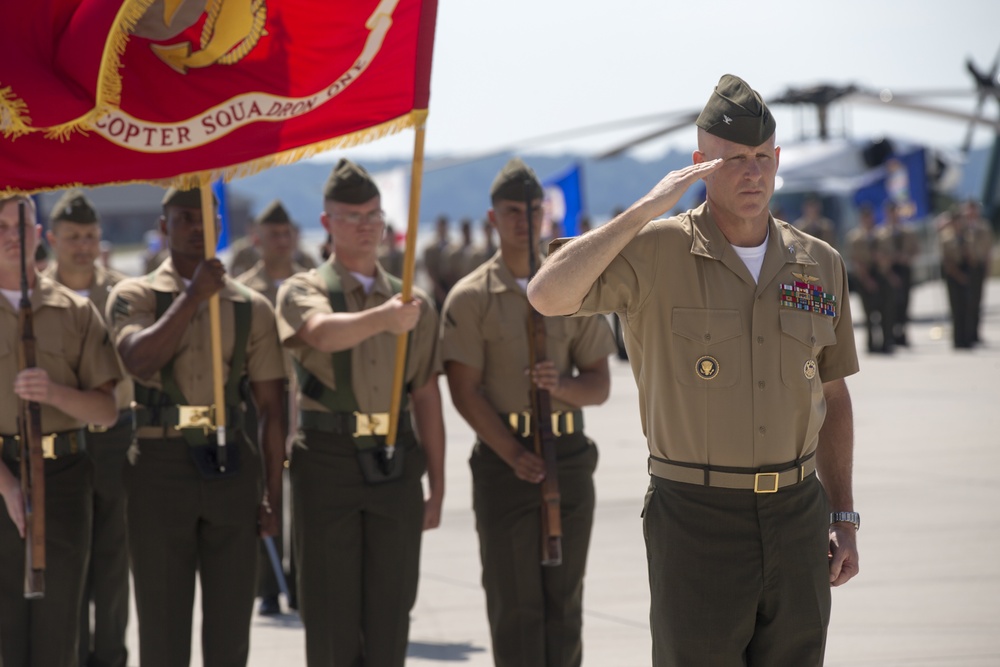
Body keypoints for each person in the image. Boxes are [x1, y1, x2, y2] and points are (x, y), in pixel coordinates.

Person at [527, 74, 861, 667]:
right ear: (701, 163)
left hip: (796, 514)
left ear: (779, 159)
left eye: (762, 157)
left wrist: (843, 513)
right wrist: (648, 208)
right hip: (697, 516)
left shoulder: (819, 263)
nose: (752, 172)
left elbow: (832, 395)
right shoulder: (658, 252)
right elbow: (547, 295)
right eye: (734, 159)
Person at [440, 158, 614, 667]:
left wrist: (561, 386)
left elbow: (599, 384)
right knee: (515, 604)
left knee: (565, 602)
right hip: (505, 461)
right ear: (492, 218)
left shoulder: (573, 286)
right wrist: (513, 453)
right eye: (512, 211)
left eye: (533, 210)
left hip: (569, 455)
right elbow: (464, 390)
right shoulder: (471, 297)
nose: (524, 220)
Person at [275, 158, 445, 667]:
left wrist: (437, 485)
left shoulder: (412, 303)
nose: (367, 224)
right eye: (352, 215)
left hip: (395, 459)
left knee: (391, 614)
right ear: (327, 223)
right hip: (328, 459)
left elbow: (425, 396)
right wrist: (385, 318)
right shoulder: (303, 289)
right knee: (330, 617)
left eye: (374, 213)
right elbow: (322, 333)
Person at [106, 186, 286, 667]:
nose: (195, 227)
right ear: (163, 227)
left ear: (220, 225)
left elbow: (271, 406)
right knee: (163, 629)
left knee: (230, 631)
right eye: (183, 218)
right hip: (159, 466)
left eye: (205, 217)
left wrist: (272, 493)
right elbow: (138, 359)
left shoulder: (251, 306)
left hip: (231, 463)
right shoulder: (134, 294)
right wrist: (192, 297)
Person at [0, 195, 121, 667]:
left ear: (38, 233)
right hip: (2, 477)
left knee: (60, 629)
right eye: (2, 226)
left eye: (22, 225)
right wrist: (7, 486)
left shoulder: (75, 311)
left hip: (64, 476)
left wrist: (53, 393)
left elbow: (106, 410)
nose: (13, 235)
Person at [44, 190, 134, 667]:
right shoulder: (37, 296)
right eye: (73, 237)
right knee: (67, 557)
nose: (83, 245)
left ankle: (112, 655)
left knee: (114, 558)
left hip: (116, 437)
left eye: (91, 237)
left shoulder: (123, 294)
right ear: (53, 240)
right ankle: (72, 653)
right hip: (61, 442)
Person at [235, 199, 305, 616]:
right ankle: (267, 586)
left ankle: (299, 581)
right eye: (272, 235)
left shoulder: (311, 285)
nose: (281, 241)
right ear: (256, 240)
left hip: (304, 400)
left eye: (286, 233)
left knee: (303, 498)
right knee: (264, 492)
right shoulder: (242, 291)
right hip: (258, 404)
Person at [846, 203, 895, 353]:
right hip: (864, 277)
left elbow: (889, 255)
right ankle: (871, 344)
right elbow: (855, 261)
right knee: (868, 313)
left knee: (886, 311)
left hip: (881, 274)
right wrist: (867, 280)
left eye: (870, 217)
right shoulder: (855, 238)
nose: (868, 220)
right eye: (865, 218)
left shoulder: (882, 235)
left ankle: (887, 342)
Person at [880, 200, 919, 347]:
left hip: (904, 269)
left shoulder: (907, 231)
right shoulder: (881, 233)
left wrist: (907, 257)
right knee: (890, 305)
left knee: (905, 303)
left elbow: (916, 249)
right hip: (889, 270)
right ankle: (890, 335)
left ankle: (902, 333)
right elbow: (879, 255)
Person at [422, 214, 452, 309]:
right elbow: (429, 270)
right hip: (436, 288)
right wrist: (438, 290)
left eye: (444, 226)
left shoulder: (453, 247)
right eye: (440, 226)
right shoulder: (430, 249)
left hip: (450, 286)